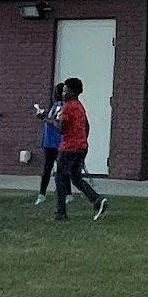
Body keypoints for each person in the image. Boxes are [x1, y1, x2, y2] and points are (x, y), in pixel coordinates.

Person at [53, 77, 108, 222]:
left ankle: (61, 213)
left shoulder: (67, 107)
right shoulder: (79, 106)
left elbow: (61, 129)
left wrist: (48, 120)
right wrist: (82, 140)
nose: (63, 93)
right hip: (81, 147)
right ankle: (97, 199)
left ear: (72, 91)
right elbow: (87, 125)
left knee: (60, 179)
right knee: (76, 178)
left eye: (65, 90)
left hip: (68, 148)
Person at [33, 83, 65, 207]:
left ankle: (62, 194)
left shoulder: (60, 106)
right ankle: (43, 194)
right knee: (48, 169)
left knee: (55, 169)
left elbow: (56, 123)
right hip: (49, 141)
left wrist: (44, 118)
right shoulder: (55, 106)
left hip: (55, 142)